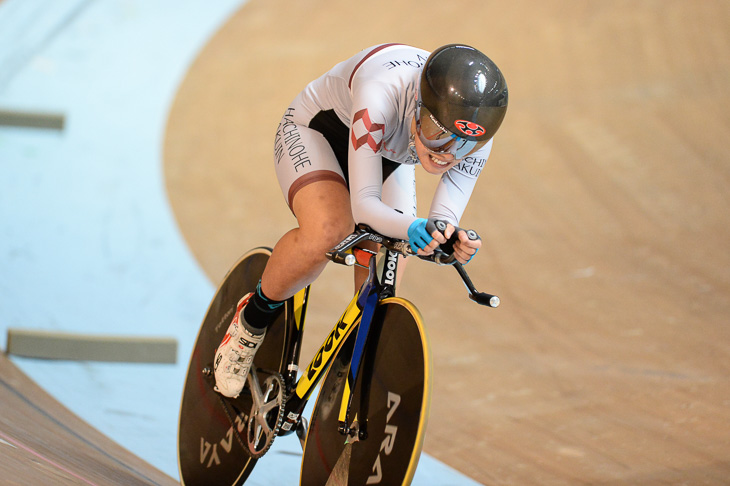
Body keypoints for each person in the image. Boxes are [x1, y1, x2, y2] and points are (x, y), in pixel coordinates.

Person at [213, 43, 508, 398]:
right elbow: (365, 207)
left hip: (384, 155)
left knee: (389, 264)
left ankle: (350, 372)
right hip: (318, 134)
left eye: (463, 146)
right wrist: (415, 228)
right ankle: (250, 323)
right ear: (417, 105)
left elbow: (442, 218)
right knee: (329, 230)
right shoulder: (380, 91)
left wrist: (445, 238)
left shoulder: (478, 135)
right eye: (436, 131)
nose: (448, 153)